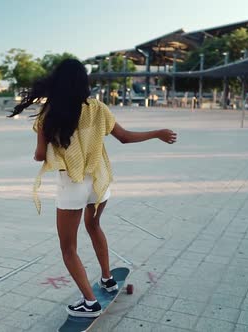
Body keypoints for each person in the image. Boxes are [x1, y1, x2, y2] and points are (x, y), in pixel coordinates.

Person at [9, 59, 176, 318]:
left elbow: (40, 156)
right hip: (99, 182)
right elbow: (124, 137)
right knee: (95, 226)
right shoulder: (98, 108)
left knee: (68, 248)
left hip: (71, 185)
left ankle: (90, 302)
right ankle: (107, 279)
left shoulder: (49, 114)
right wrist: (157, 133)